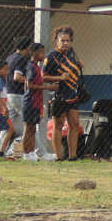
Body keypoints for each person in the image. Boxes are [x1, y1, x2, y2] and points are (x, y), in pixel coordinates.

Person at [42, 25, 84, 161]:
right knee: (58, 125)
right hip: (59, 95)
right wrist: (59, 78)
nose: (66, 43)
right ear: (57, 41)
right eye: (63, 41)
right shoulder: (51, 57)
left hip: (73, 94)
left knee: (74, 124)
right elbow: (43, 76)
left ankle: (73, 156)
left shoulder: (72, 52)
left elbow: (75, 64)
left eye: (68, 40)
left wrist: (79, 65)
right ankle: (59, 156)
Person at [3, 37, 33, 158]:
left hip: (9, 93)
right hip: (18, 95)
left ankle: (1, 150)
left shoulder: (9, 58)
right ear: (26, 48)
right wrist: (29, 81)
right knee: (29, 124)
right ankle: (36, 151)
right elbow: (17, 76)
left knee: (10, 126)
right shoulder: (21, 59)